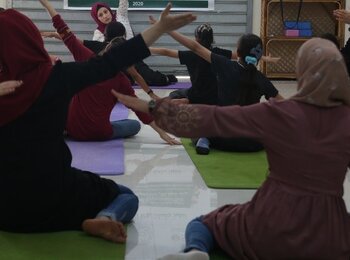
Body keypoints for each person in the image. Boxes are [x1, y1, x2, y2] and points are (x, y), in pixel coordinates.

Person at [113, 37, 350, 259]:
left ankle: (196, 250)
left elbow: (214, 118)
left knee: (204, 223)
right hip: (330, 233)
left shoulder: (282, 115)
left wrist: (153, 105)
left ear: (303, 72)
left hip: (271, 224)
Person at [0, 4, 195, 243]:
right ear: (30, 40)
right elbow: (113, 63)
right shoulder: (55, 79)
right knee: (126, 196)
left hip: (6, 212)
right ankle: (107, 217)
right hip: (52, 197)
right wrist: (160, 28)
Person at [40, 1, 178, 143]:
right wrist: (162, 134)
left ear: (108, 47)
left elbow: (66, 33)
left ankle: (62, 127)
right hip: (99, 132)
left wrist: (48, 6)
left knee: (68, 97)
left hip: (73, 128)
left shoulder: (88, 58)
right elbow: (139, 108)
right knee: (134, 125)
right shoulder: (121, 80)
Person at [158, 23, 283, 154]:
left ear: (238, 52)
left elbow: (195, 47)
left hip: (222, 137)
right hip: (251, 143)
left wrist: (167, 28)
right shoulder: (261, 79)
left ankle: (205, 139)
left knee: (197, 126)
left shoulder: (225, 66)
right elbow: (286, 105)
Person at [91, 1, 178, 86]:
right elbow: (99, 53)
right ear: (96, 18)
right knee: (125, 82)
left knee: (151, 78)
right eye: (100, 15)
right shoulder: (98, 33)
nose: (105, 16)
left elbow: (123, 3)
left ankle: (165, 78)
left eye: (105, 12)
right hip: (118, 65)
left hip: (133, 57)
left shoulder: (120, 16)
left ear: (109, 10)